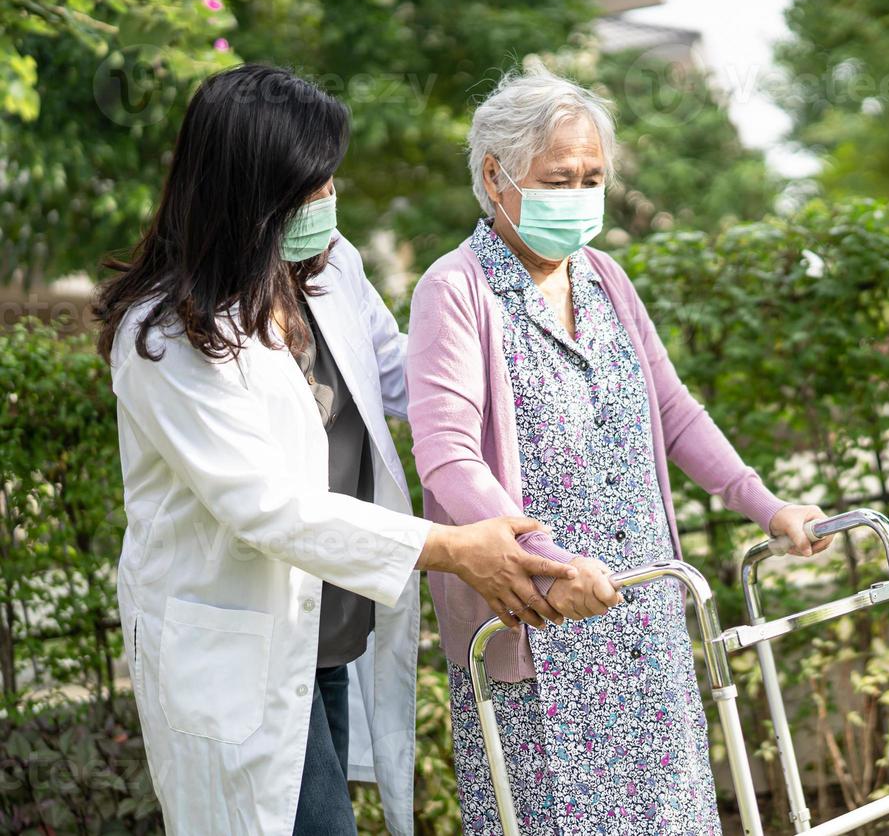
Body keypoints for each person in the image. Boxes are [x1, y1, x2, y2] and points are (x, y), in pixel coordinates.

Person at [94, 64, 583, 835]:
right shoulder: (165, 340)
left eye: (330, 181)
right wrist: (454, 546)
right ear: (247, 192)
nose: (328, 201)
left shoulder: (328, 271)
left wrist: (541, 419)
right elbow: (268, 508)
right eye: (309, 186)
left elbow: (407, 383)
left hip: (329, 637)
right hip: (238, 653)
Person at [405, 64, 833, 834]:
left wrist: (768, 508)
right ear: (495, 178)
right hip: (543, 630)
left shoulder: (605, 277)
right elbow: (445, 456)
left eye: (592, 176)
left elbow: (674, 411)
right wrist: (546, 559)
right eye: (559, 177)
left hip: (643, 621)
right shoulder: (454, 288)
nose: (578, 194)